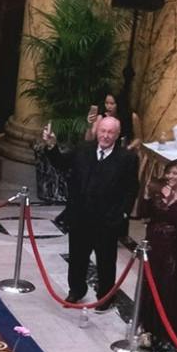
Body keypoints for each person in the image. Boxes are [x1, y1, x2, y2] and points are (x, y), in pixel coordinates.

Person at [42, 112, 139, 303]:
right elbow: (61, 163)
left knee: (105, 262)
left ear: (117, 135)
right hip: (80, 217)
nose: (105, 135)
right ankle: (76, 290)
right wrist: (52, 146)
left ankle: (105, 297)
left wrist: (123, 213)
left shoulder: (127, 158)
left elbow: (131, 188)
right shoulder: (83, 149)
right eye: (103, 131)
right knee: (77, 258)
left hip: (107, 221)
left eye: (110, 132)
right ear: (97, 131)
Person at [138, 155, 177, 350]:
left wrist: (171, 199)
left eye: (175, 173)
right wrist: (147, 197)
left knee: (170, 283)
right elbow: (145, 214)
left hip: (176, 247)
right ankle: (149, 325)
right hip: (156, 242)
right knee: (152, 282)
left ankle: (169, 329)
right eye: (168, 172)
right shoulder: (158, 188)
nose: (170, 176)